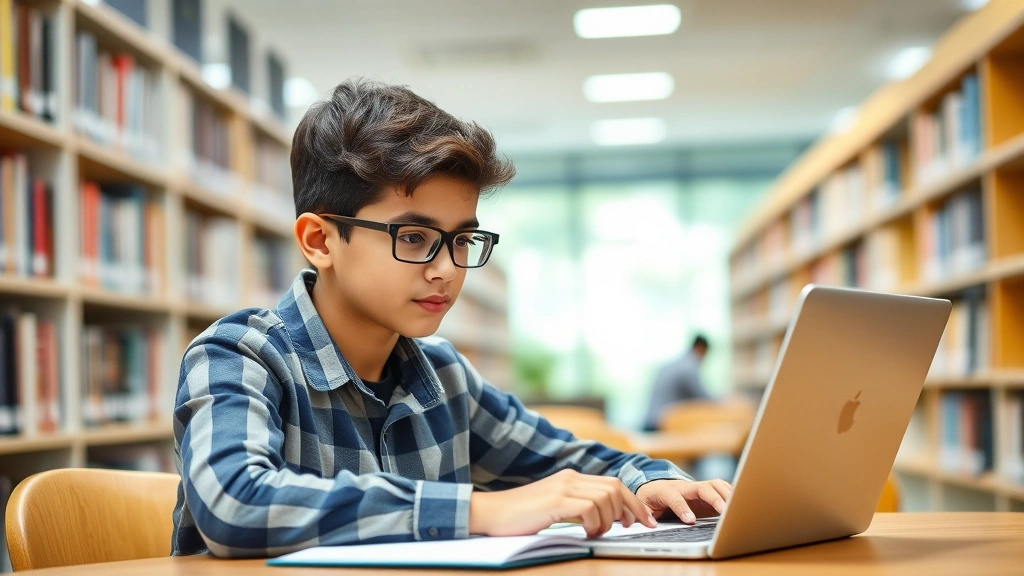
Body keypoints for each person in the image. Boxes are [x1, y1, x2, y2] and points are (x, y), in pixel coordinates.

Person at [171, 79, 732, 558]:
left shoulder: (443, 376)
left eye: (462, 239)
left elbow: (571, 460)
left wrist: (650, 479)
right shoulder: (238, 356)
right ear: (320, 240)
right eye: (414, 237)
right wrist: (480, 511)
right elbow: (236, 501)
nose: (446, 269)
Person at [643, 335, 711, 431]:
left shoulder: (675, 364)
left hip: (651, 421)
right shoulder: (688, 367)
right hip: (659, 426)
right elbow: (703, 397)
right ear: (700, 348)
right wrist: (726, 402)